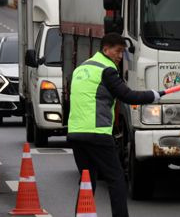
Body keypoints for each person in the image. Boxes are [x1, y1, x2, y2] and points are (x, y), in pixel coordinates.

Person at [67, 32, 162, 217]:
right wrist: (153, 95)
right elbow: (127, 96)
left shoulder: (81, 68)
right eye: (118, 51)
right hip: (97, 133)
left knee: (87, 179)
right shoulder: (107, 70)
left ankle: (81, 215)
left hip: (75, 133)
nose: (120, 56)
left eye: (122, 52)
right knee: (116, 179)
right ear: (105, 49)